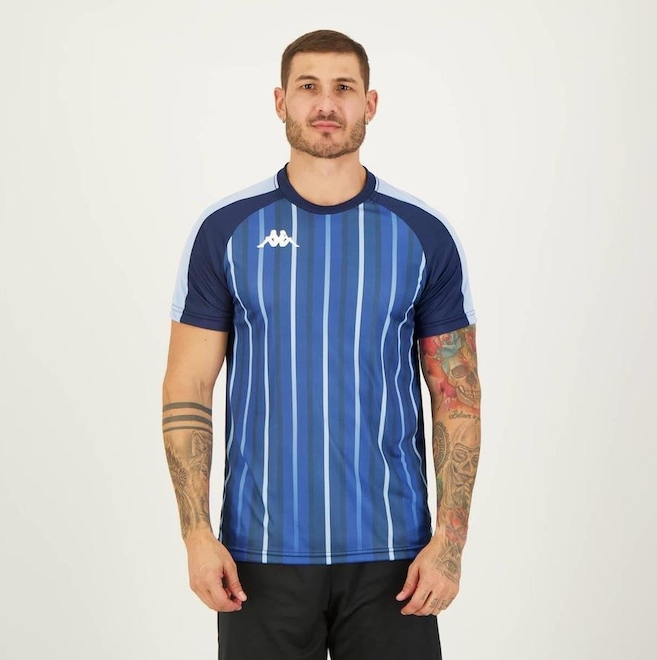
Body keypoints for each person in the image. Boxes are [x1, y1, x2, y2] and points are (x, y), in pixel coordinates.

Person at [162, 29, 481, 660]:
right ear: (281, 101)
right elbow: (188, 386)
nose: (326, 103)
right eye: (308, 86)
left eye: (344, 88)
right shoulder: (226, 231)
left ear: (370, 104)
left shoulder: (423, 234)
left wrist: (450, 543)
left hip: (394, 558)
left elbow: (457, 398)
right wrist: (196, 535)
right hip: (258, 557)